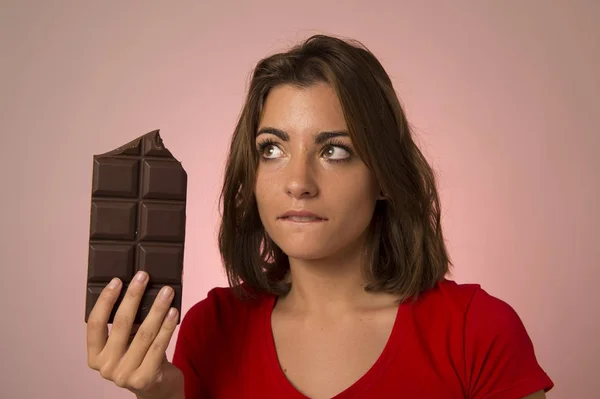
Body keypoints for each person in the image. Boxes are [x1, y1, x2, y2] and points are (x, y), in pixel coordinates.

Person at [86, 34, 554, 399]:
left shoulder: (477, 332)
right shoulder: (212, 329)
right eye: (272, 149)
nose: (298, 181)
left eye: (334, 150)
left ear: (386, 175)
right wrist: (162, 394)